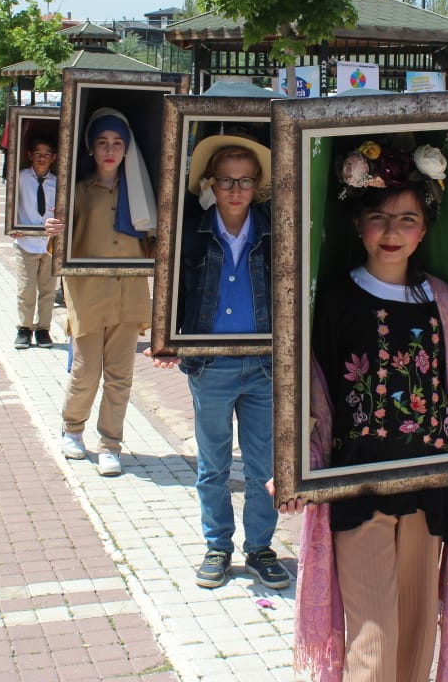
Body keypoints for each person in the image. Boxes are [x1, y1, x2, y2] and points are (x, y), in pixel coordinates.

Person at [285, 141, 448, 682]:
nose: (392, 231)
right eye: (379, 217)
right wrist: (293, 468)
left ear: (425, 229)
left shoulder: (443, 302)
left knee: (416, 642)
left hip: (429, 488)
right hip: (358, 490)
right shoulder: (332, 302)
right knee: (375, 645)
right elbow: (310, 398)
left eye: (407, 219)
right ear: (358, 224)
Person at [146, 135, 288, 590]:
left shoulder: (277, 231)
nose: (235, 189)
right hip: (210, 365)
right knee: (213, 465)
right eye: (226, 180)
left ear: (258, 184)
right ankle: (217, 546)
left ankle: (260, 547)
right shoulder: (190, 232)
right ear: (210, 183)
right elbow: (171, 287)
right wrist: (165, 338)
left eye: (245, 180)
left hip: (264, 365)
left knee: (264, 466)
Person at [53, 108, 154, 478]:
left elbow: (153, 245)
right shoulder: (78, 192)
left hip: (129, 295)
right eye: (102, 142)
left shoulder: (144, 195)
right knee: (85, 371)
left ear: (127, 148)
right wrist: (54, 231)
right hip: (89, 294)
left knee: (120, 377)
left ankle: (110, 444)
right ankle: (72, 430)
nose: (110, 150)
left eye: (117, 143)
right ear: (91, 148)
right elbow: (61, 249)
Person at [12, 135, 60, 349]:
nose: (42, 158)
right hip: (26, 243)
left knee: (48, 290)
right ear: (30, 155)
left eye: (46, 155)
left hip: (49, 245)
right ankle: (24, 328)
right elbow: (11, 204)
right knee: (26, 289)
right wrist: (12, 226)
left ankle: (43, 329)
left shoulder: (58, 182)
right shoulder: (20, 178)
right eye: (38, 154)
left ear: (53, 158)